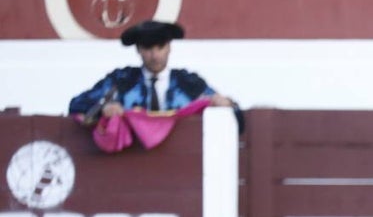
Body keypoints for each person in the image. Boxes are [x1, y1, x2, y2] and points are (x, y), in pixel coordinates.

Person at [68, 20, 242, 131]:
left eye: (160, 47)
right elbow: (76, 105)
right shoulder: (121, 80)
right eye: (148, 48)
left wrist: (227, 104)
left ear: (169, 48)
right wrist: (103, 109)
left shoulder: (188, 83)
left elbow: (237, 118)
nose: (155, 55)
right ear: (138, 50)